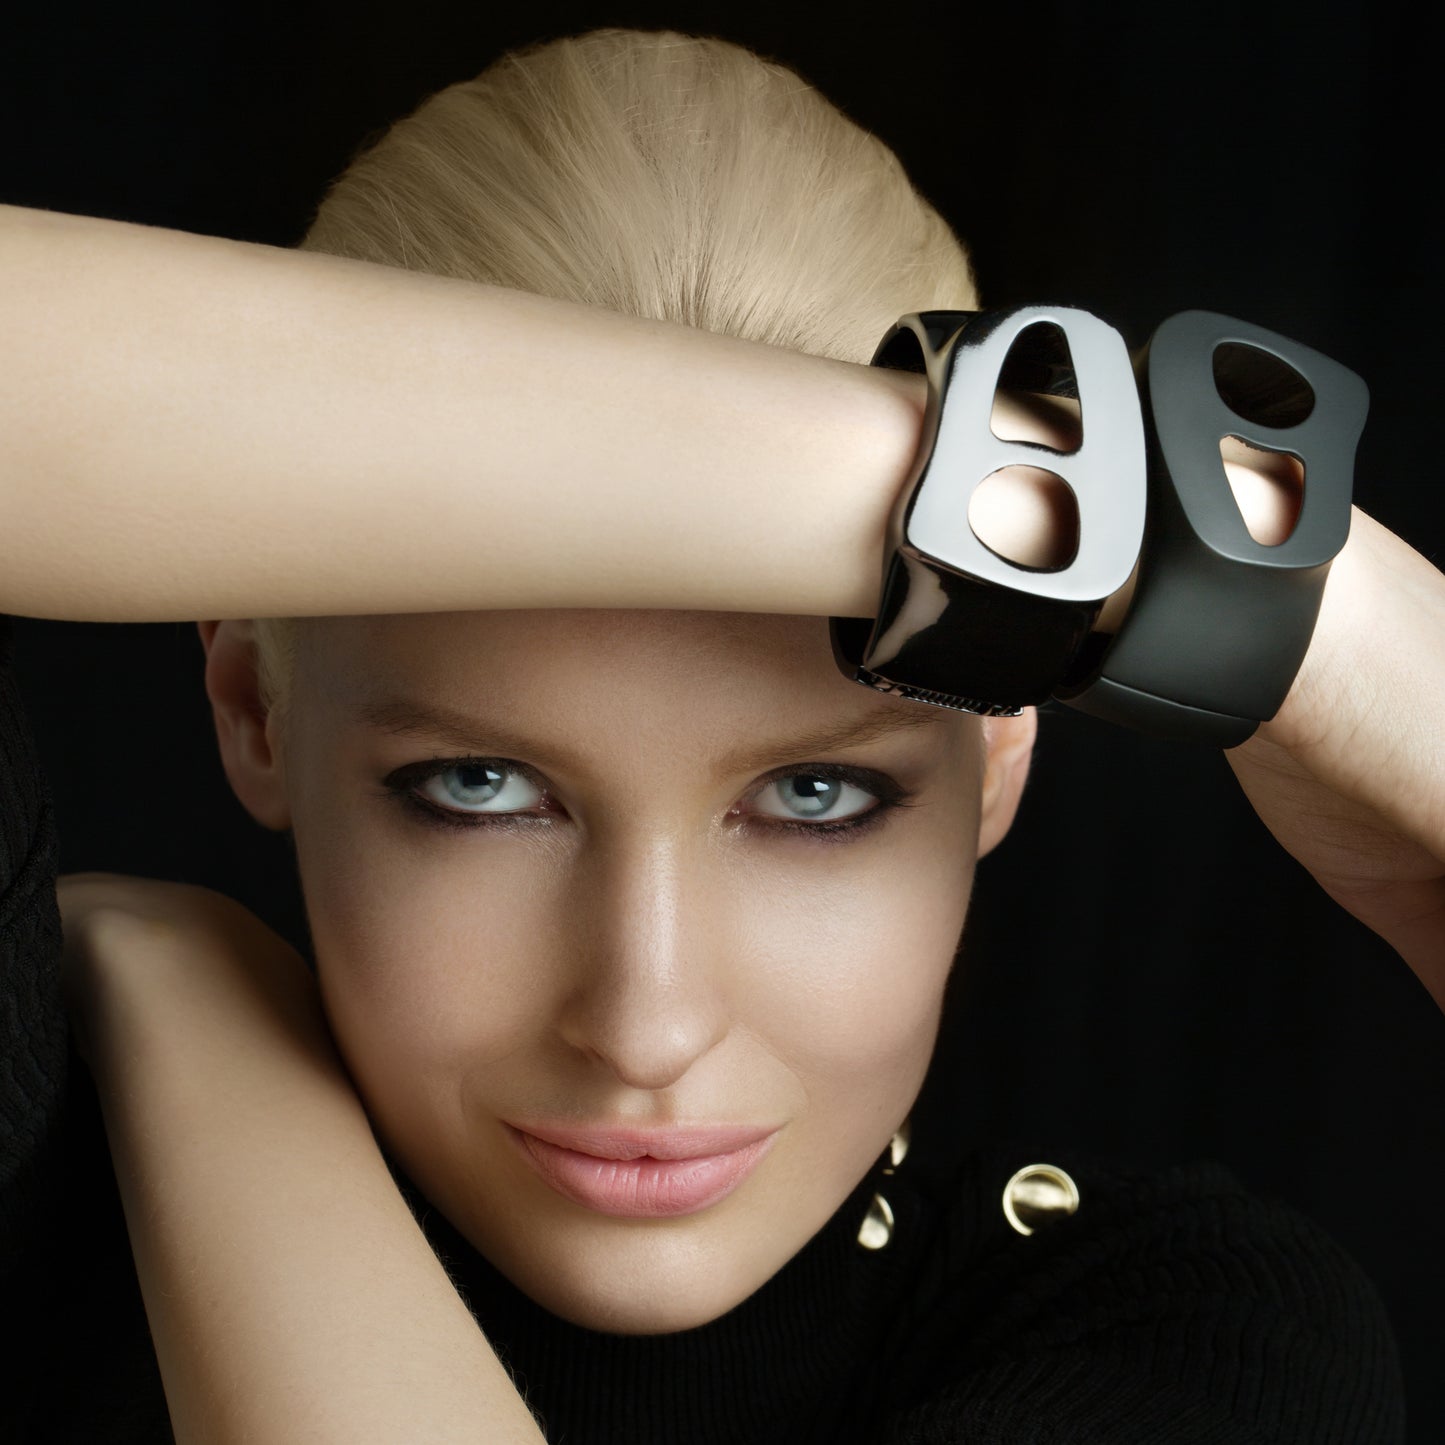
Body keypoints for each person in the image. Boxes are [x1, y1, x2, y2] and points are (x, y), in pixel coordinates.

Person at [2, 24, 1441, 1444]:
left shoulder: (1193, 1339)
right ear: (251, 703)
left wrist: (198, 1016)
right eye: (481, 785)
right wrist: (1025, 521)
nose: (648, 1025)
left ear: (1004, 745)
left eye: (816, 794)